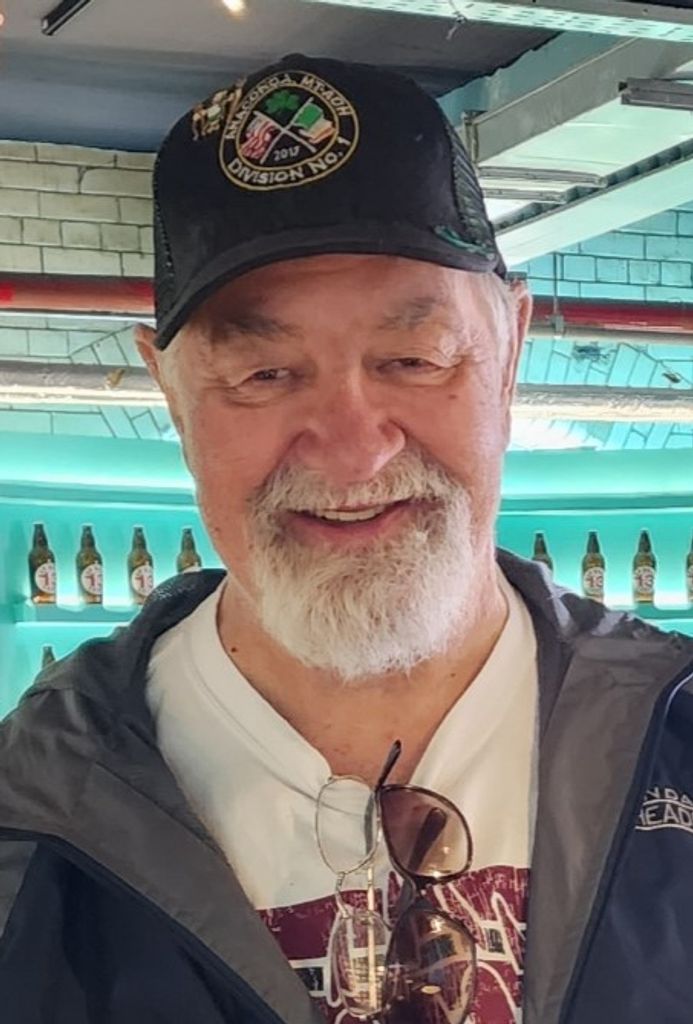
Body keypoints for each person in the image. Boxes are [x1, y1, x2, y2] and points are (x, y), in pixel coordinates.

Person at [1, 53, 692, 1024]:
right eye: (263, 375)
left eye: (414, 358)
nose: (355, 452)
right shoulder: (28, 830)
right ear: (171, 393)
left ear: (508, 356)